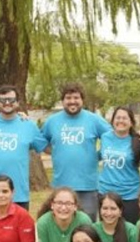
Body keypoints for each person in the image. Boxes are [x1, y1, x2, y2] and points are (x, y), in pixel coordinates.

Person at [40, 82, 111, 219]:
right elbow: (41, 142)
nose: (72, 101)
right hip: (61, 183)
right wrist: (56, 151)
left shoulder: (94, 120)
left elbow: (112, 138)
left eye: (76, 98)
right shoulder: (52, 121)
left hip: (88, 185)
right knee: (62, 222)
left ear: (82, 100)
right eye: (68, 98)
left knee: (87, 225)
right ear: (63, 101)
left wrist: (100, 154)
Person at [0, 85, 48, 210]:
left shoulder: (28, 125)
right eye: (3, 100)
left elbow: (47, 147)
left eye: (11, 100)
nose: (7, 103)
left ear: (18, 103)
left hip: (19, 195)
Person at [98, 107, 140, 224]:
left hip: (129, 195)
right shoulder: (105, 137)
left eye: (125, 118)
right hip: (105, 192)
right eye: (118, 118)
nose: (121, 120)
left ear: (131, 122)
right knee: (107, 230)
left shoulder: (137, 140)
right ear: (112, 121)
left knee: (129, 232)